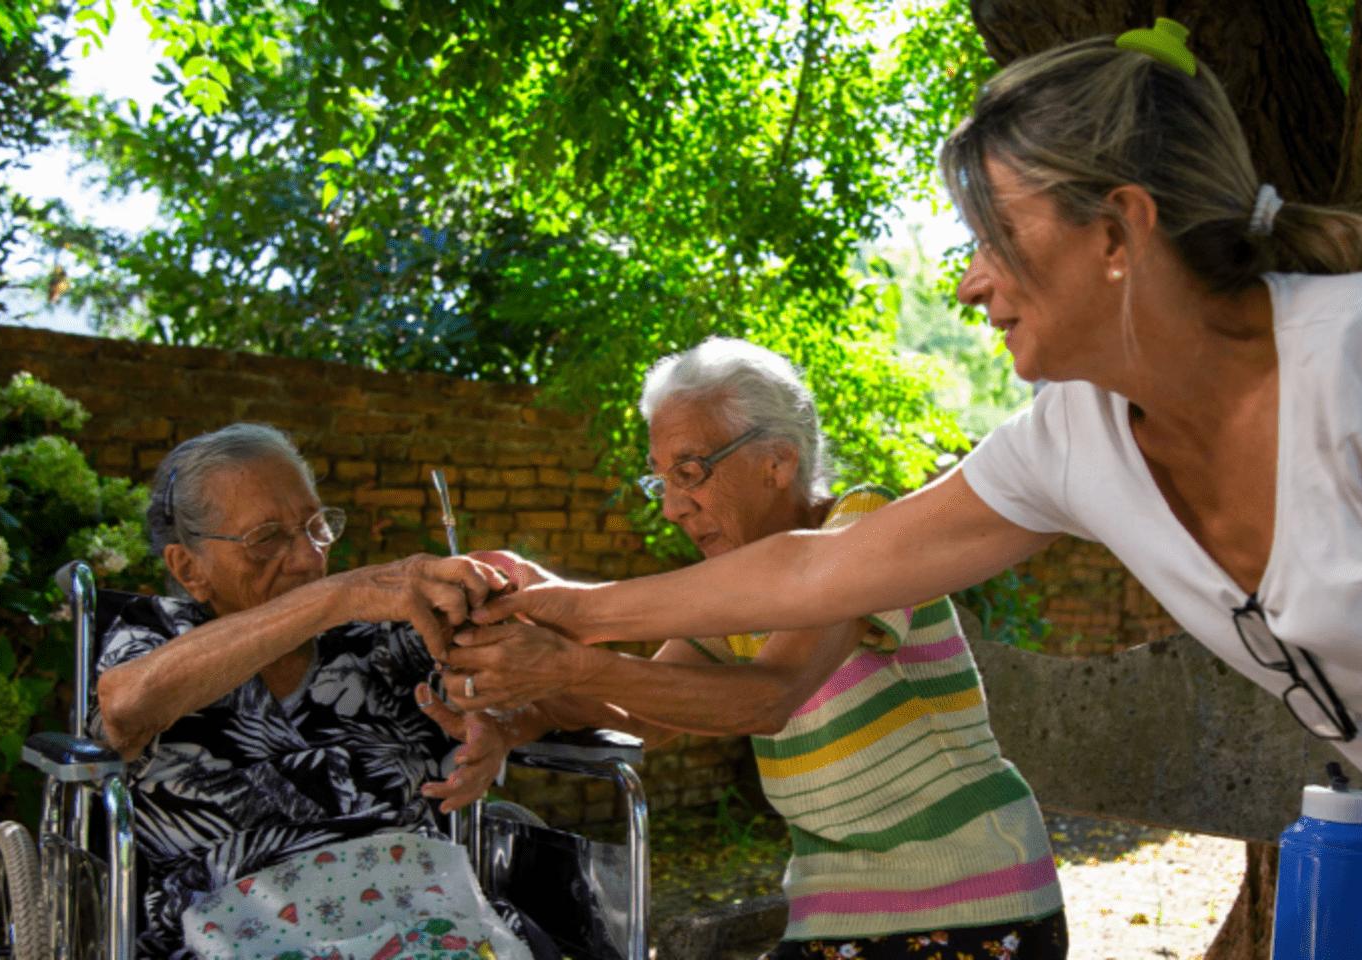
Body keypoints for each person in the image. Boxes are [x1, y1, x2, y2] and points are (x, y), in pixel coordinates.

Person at [460, 21, 1362, 823]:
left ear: (1117, 230)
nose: (968, 282)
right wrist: (576, 607)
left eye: (992, 238)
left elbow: (778, 658)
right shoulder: (1072, 440)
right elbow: (817, 567)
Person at [428, 339, 1068, 960]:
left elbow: (769, 697)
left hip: (971, 904)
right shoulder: (738, 590)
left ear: (778, 462)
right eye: (662, 482)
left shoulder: (860, 534)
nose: (674, 508)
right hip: (833, 913)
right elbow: (644, 716)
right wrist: (516, 710)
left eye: (690, 472)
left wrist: (569, 661)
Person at [91, 423, 523, 960]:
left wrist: (500, 727)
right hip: (233, 933)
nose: (308, 558)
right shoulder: (154, 635)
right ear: (188, 567)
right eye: (266, 538)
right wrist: (332, 598)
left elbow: (539, 690)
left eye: (316, 526)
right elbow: (126, 708)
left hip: (419, 917)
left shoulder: (380, 643)